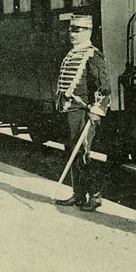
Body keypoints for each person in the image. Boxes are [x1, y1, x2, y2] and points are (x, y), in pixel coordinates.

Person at [54, 14, 111, 212]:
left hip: (83, 113)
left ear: (88, 32)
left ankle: (95, 196)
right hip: (70, 111)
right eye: (71, 30)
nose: (73, 34)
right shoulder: (72, 53)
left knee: (83, 154)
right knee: (72, 152)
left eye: (78, 31)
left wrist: (97, 110)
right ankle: (78, 195)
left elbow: (104, 87)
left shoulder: (92, 55)